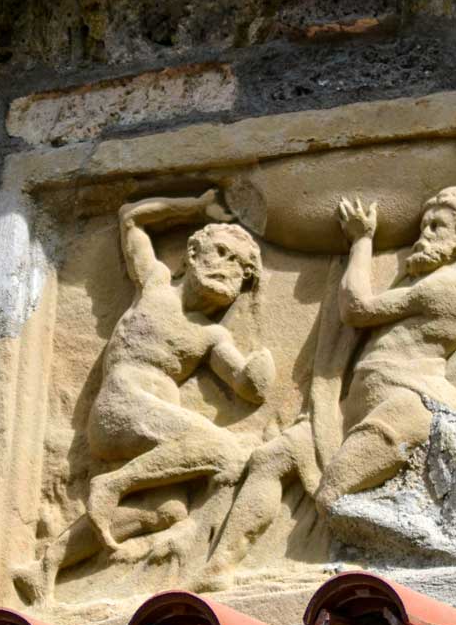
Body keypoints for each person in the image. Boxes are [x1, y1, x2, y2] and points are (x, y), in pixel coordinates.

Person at [200, 184, 456, 585]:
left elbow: (357, 308)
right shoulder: (430, 275)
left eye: (437, 226)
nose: (424, 235)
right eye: (424, 225)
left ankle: (429, 546)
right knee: (271, 458)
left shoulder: (453, 284)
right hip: (357, 406)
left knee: (333, 497)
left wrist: (362, 240)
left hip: (401, 407)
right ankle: (217, 570)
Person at [16, 189, 274, 602]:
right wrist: (194, 207)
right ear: (193, 253)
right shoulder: (156, 284)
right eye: (222, 253)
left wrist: (257, 375)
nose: (228, 269)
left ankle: (46, 566)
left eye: (242, 269)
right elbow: (130, 218)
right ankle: (114, 484)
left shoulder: (212, 336)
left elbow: (244, 384)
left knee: (166, 510)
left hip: (157, 429)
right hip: (123, 404)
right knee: (227, 452)